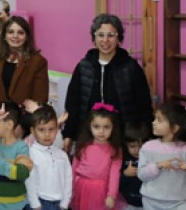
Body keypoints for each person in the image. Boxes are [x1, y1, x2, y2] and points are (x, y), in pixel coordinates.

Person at [63, 13, 153, 151]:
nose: (105, 40)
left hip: (124, 137)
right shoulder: (84, 66)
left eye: (111, 35)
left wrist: (146, 136)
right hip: (89, 136)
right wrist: (68, 135)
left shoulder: (131, 67)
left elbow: (144, 105)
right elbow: (72, 105)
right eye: (100, 35)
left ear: (119, 38)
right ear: (94, 38)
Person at [71, 104, 123, 210]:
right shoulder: (82, 146)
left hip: (102, 193)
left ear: (113, 128)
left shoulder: (115, 150)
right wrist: (70, 191)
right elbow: (73, 170)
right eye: (97, 127)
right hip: (83, 191)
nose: (101, 131)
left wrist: (112, 195)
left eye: (106, 127)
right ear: (90, 126)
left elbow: (115, 174)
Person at [0, 16, 49, 106]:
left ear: (27, 37)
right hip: (0, 111)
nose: (15, 36)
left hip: (25, 112)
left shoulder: (38, 62)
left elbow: (40, 99)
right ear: (4, 36)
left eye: (20, 32)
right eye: (11, 32)